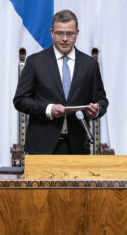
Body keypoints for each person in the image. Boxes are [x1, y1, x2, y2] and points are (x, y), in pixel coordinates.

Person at [13, 9, 108, 154]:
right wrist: (48, 109)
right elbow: (20, 100)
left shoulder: (90, 65)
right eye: (59, 33)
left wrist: (95, 111)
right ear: (52, 33)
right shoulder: (35, 62)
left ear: (77, 34)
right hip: (42, 146)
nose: (64, 38)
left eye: (70, 34)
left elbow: (101, 101)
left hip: (78, 147)